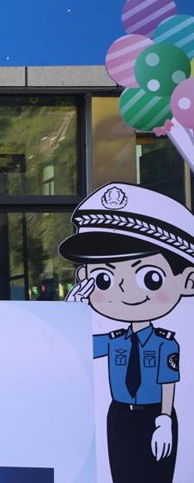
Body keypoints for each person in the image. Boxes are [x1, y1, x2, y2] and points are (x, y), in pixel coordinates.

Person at [59, 182, 194, 483]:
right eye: (103, 278)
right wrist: (70, 312)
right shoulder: (115, 340)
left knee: (156, 475)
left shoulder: (165, 343)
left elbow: (168, 381)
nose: (123, 289)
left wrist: (164, 419)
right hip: (118, 414)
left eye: (150, 277)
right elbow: (75, 347)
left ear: (188, 281)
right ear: (84, 278)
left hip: (154, 415)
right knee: (120, 474)